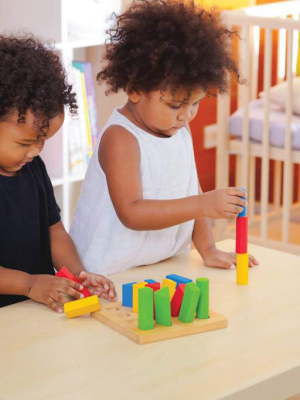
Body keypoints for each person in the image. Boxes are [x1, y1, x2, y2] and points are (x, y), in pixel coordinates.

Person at [70, 0, 259, 275]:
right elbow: (132, 213)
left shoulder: (178, 127)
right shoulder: (121, 139)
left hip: (160, 266)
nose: (187, 116)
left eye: (195, 103)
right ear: (135, 90)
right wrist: (204, 204)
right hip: (107, 273)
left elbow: (189, 188)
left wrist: (208, 249)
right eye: (175, 105)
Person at [0, 35, 117, 311]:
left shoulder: (33, 168)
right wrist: (29, 284)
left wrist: (79, 276)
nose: (34, 153)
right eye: (25, 143)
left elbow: (55, 232)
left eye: (42, 142)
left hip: (36, 308)